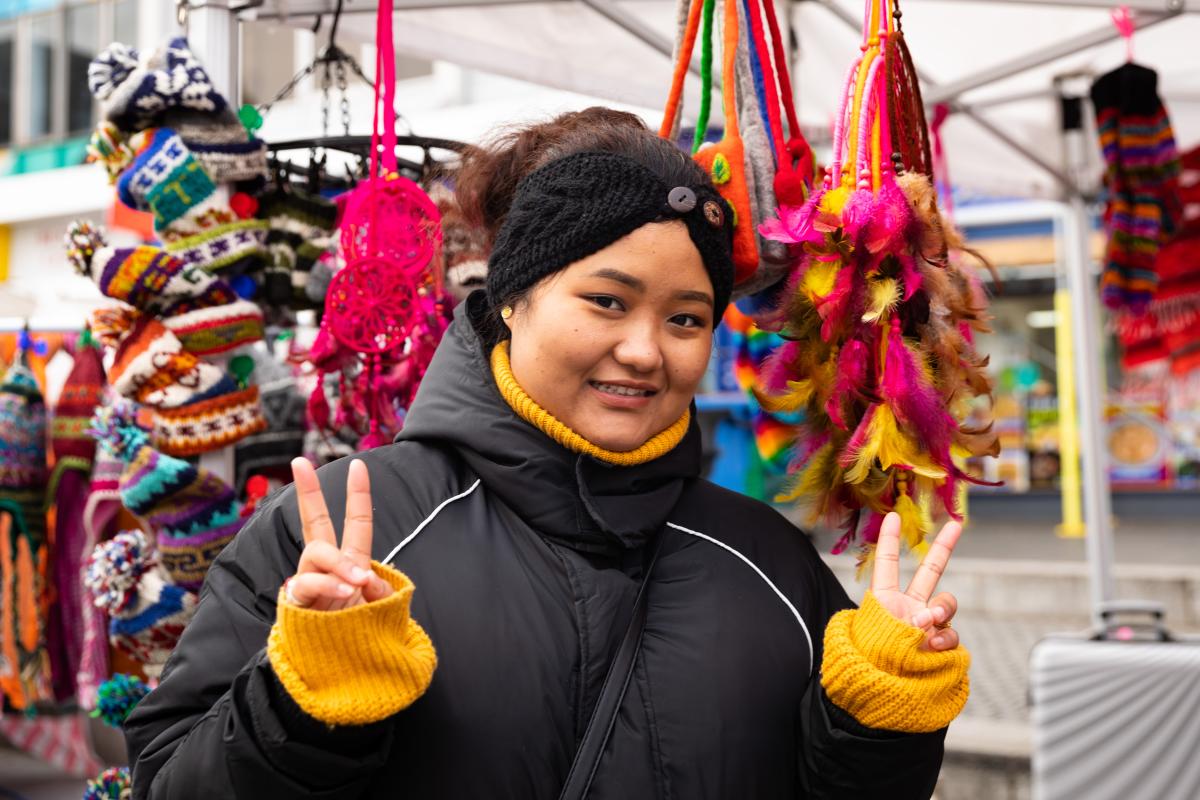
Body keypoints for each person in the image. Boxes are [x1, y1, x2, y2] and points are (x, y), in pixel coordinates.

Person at [124, 107, 970, 799]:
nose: (646, 350)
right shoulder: (352, 537)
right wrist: (300, 710)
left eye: (685, 318)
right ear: (515, 301)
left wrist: (878, 719)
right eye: (606, 301)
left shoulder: (770, 561)